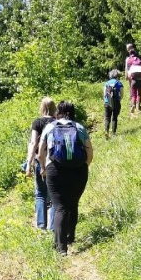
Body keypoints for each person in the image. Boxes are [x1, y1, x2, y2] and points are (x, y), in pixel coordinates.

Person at [38, 101, 93, 255]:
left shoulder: (50, 127)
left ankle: (61, 248)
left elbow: (41, 152)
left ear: (58, 112)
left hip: (55, 170)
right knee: (73, 203)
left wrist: (43, 167)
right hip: (78, 171)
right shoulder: (79, 127)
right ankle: (70, 237)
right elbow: (90, 153)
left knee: (60, 207)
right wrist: (83, 167)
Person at [25, 97, 56, 230]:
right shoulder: (57, 122)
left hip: (39, 161)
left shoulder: (37, 123)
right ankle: (53, 227)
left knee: (41, 194)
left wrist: (28, 164)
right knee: (54, 194)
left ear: (42, 108)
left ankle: (41, 225)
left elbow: (33, 143)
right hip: (54, 162)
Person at [125, 45, 141, 113]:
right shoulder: (139, 60)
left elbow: (127, 70)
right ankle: (139, 106)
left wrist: (127, 76)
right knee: (139, 94)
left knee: (133, 93)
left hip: (133, 79)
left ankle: (133, 105)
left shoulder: (128, 59)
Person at [103, 69, 124, 138]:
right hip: (116, 102)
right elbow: (122, 94)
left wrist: (106, 101)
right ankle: (113, 133)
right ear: (117, 76)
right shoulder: (119, 83)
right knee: (114, 118)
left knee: (107, 118)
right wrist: (119, 100)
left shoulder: (106, 83)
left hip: (107, 103)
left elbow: (104, 94)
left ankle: (106, 131)